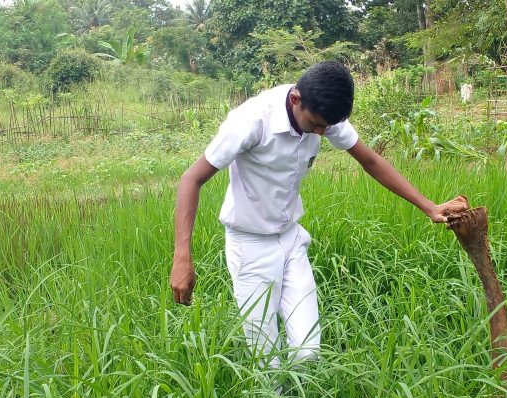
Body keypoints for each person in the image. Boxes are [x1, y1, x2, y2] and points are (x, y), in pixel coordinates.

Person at [169, 61, 468, 368]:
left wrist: (428, 206)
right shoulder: (251, 121)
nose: (322, 133)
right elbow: (191, 179)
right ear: (296, 99)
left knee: (307, 352)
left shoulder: (324, 113)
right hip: (251, 247)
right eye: (315, 125)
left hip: (291, 240)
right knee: (265, 359)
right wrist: (182, 257)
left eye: (328, 127)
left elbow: (371, 162)